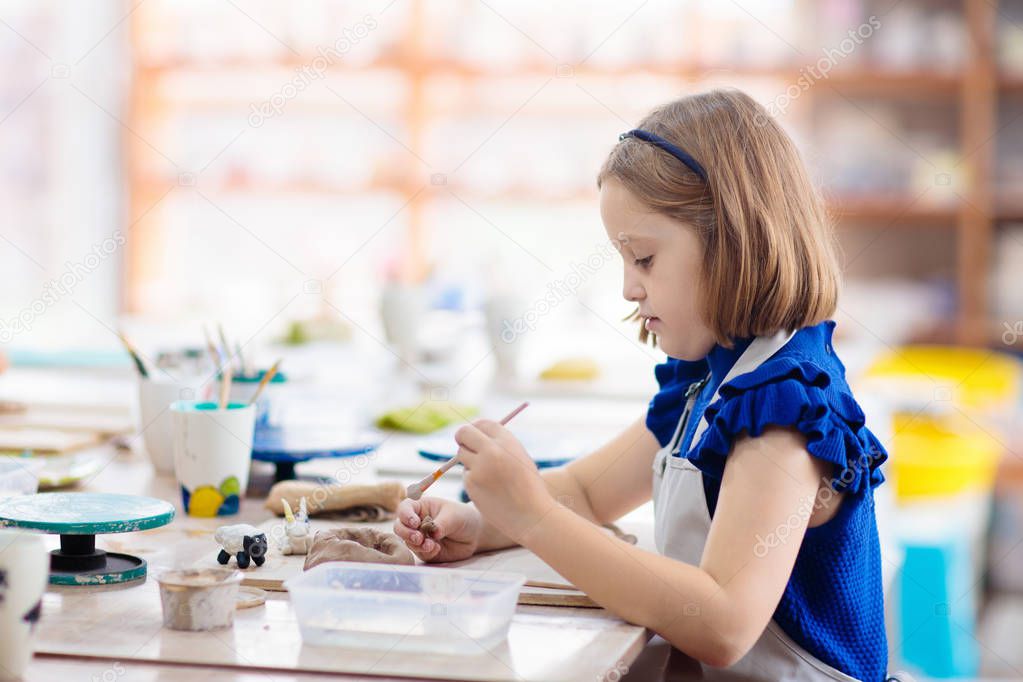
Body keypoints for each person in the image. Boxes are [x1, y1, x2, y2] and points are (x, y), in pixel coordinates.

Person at [395, 89, 889, 681]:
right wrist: (481, 524)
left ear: (732, 242)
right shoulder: (710, 380)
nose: (629, 288)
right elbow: (585, 492)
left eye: (645, 259)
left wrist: (531, 516)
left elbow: (722, 622)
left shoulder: (784, 406)